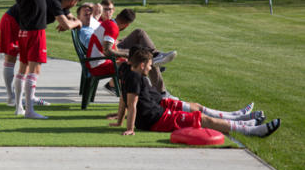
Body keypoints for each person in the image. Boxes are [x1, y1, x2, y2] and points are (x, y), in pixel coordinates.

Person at [111, 48, 281, 138]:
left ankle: (244, 122)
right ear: (142, 65)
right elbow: (131, 105)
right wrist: (130, 128)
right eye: (149, 65)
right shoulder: (134, 77)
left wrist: (119, 122)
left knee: (198, 111)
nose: (150, 68)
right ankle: (252, 131)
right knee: (203, 119)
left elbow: (123, 101)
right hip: (156, 119)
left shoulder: (128, 73)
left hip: (157, 114)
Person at [0, 0, 82, 107]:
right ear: (73, 2)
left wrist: (72, 22)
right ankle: (11, 98)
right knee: (12, 58)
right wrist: (77, 23)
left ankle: (29, 97)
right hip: (13, 20)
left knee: (29, 63)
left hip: (26, 26)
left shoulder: (61, 3)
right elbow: (68, 24)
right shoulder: (55, 2)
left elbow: (70, 20)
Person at [91, 0, 177, 98]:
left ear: (116, 13)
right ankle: (160, 92)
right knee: (144, 55)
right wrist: (128, 54)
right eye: (105, 9)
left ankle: (156, 57)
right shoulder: (108, 25)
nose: (108, 12)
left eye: (110, 9)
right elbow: (107, 50)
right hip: (102, 59)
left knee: (142, 43)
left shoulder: (109, 23)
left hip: (107, 52)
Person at [7, 0, 50, 119]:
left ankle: (19, 107)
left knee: (22, 70)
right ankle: (30, 110)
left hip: (24, 30)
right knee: (34, 70)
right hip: (35, 31)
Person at [86, 8, 136, 77]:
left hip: (95, 62)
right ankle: (116, 86)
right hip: (97, 66)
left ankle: (115, 85)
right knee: (134, 65)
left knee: (131, 61)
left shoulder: (108, 23)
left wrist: (127, 54)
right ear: (126, 25)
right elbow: (107, 51)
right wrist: (127, 55)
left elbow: (111, 50)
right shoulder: (113, 28)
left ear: (118, 15)